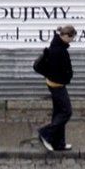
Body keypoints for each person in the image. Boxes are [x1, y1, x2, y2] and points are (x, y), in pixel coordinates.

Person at [35, 24, 76, 152]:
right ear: (65, 35)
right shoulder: (58, 50)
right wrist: (66, 77)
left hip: (56, 84)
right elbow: (56, 70)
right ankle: (45, 133)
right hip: (57, 85)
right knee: (66, 112)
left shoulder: (58, 46)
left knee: (59, 113)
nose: (72, 40)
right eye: (71, 37)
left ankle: (59, 143)